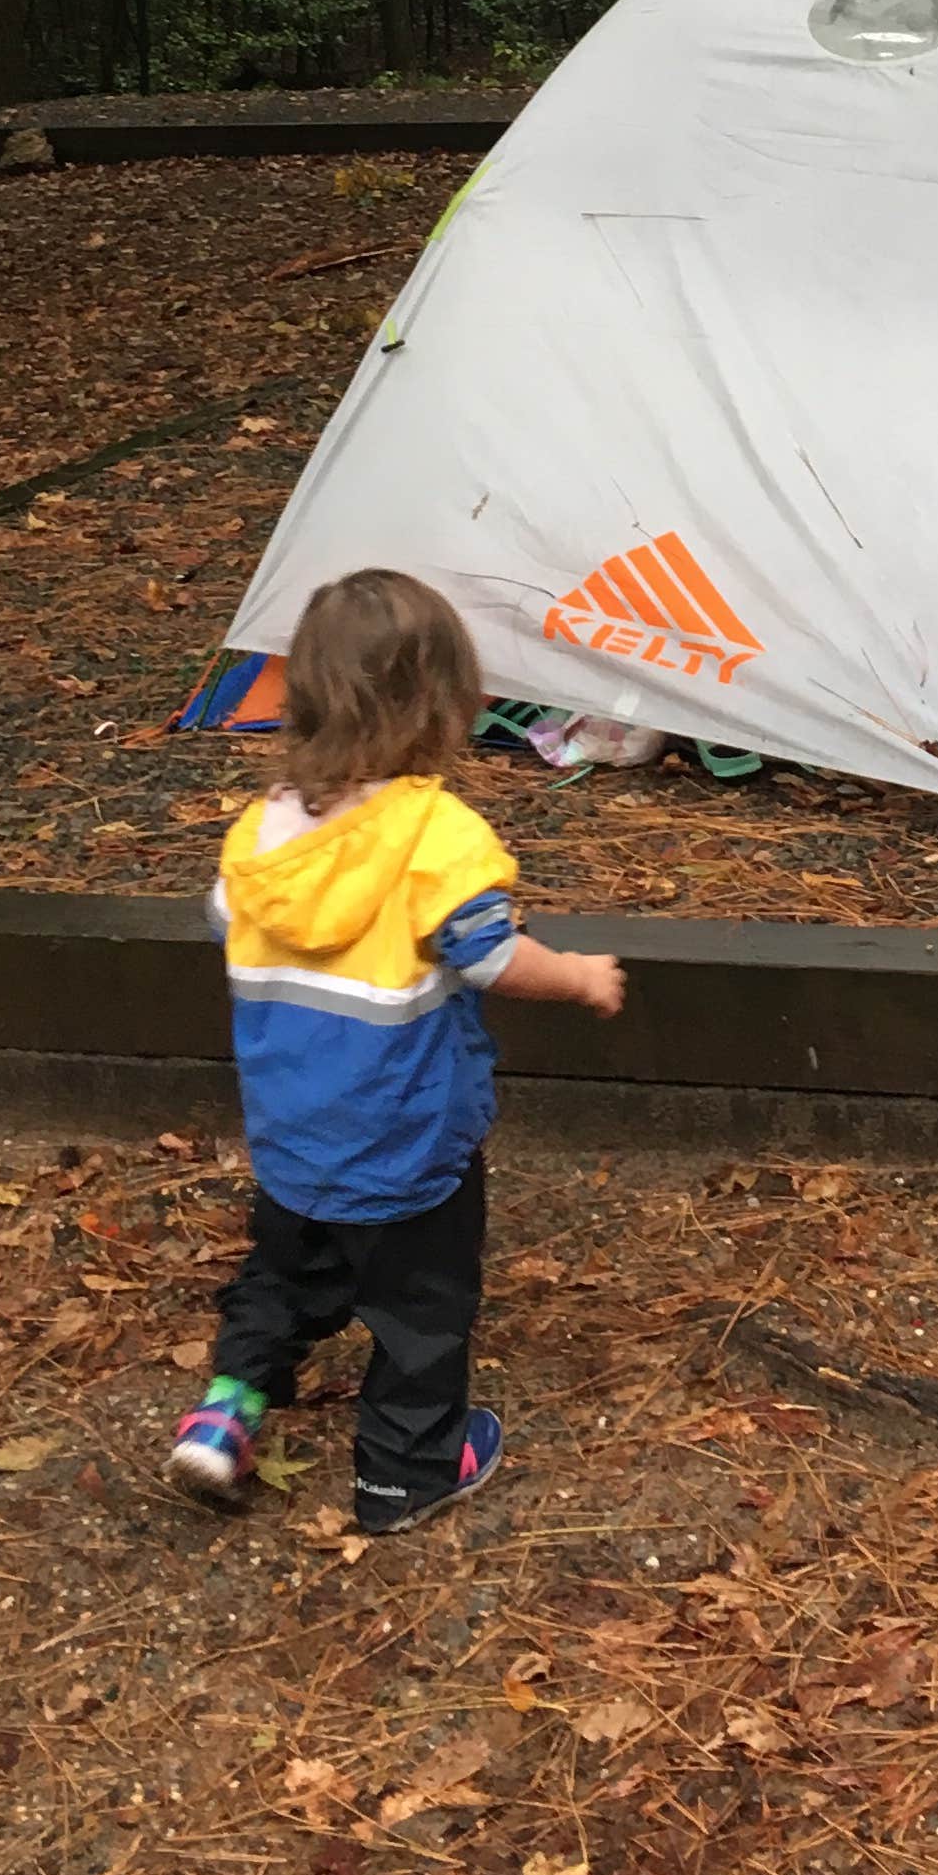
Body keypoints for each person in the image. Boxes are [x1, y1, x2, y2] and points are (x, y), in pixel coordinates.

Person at [166, 567, 625, 1535]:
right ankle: (403, 1474)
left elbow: (222, 919)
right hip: (408, 1140)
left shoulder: (262, 832)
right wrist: (579, 975)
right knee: (421, 1313)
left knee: (282, 1274)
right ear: (443, 703)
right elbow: (493, 956)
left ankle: (227, 1410)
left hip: (292, 1129)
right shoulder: (435, 837)